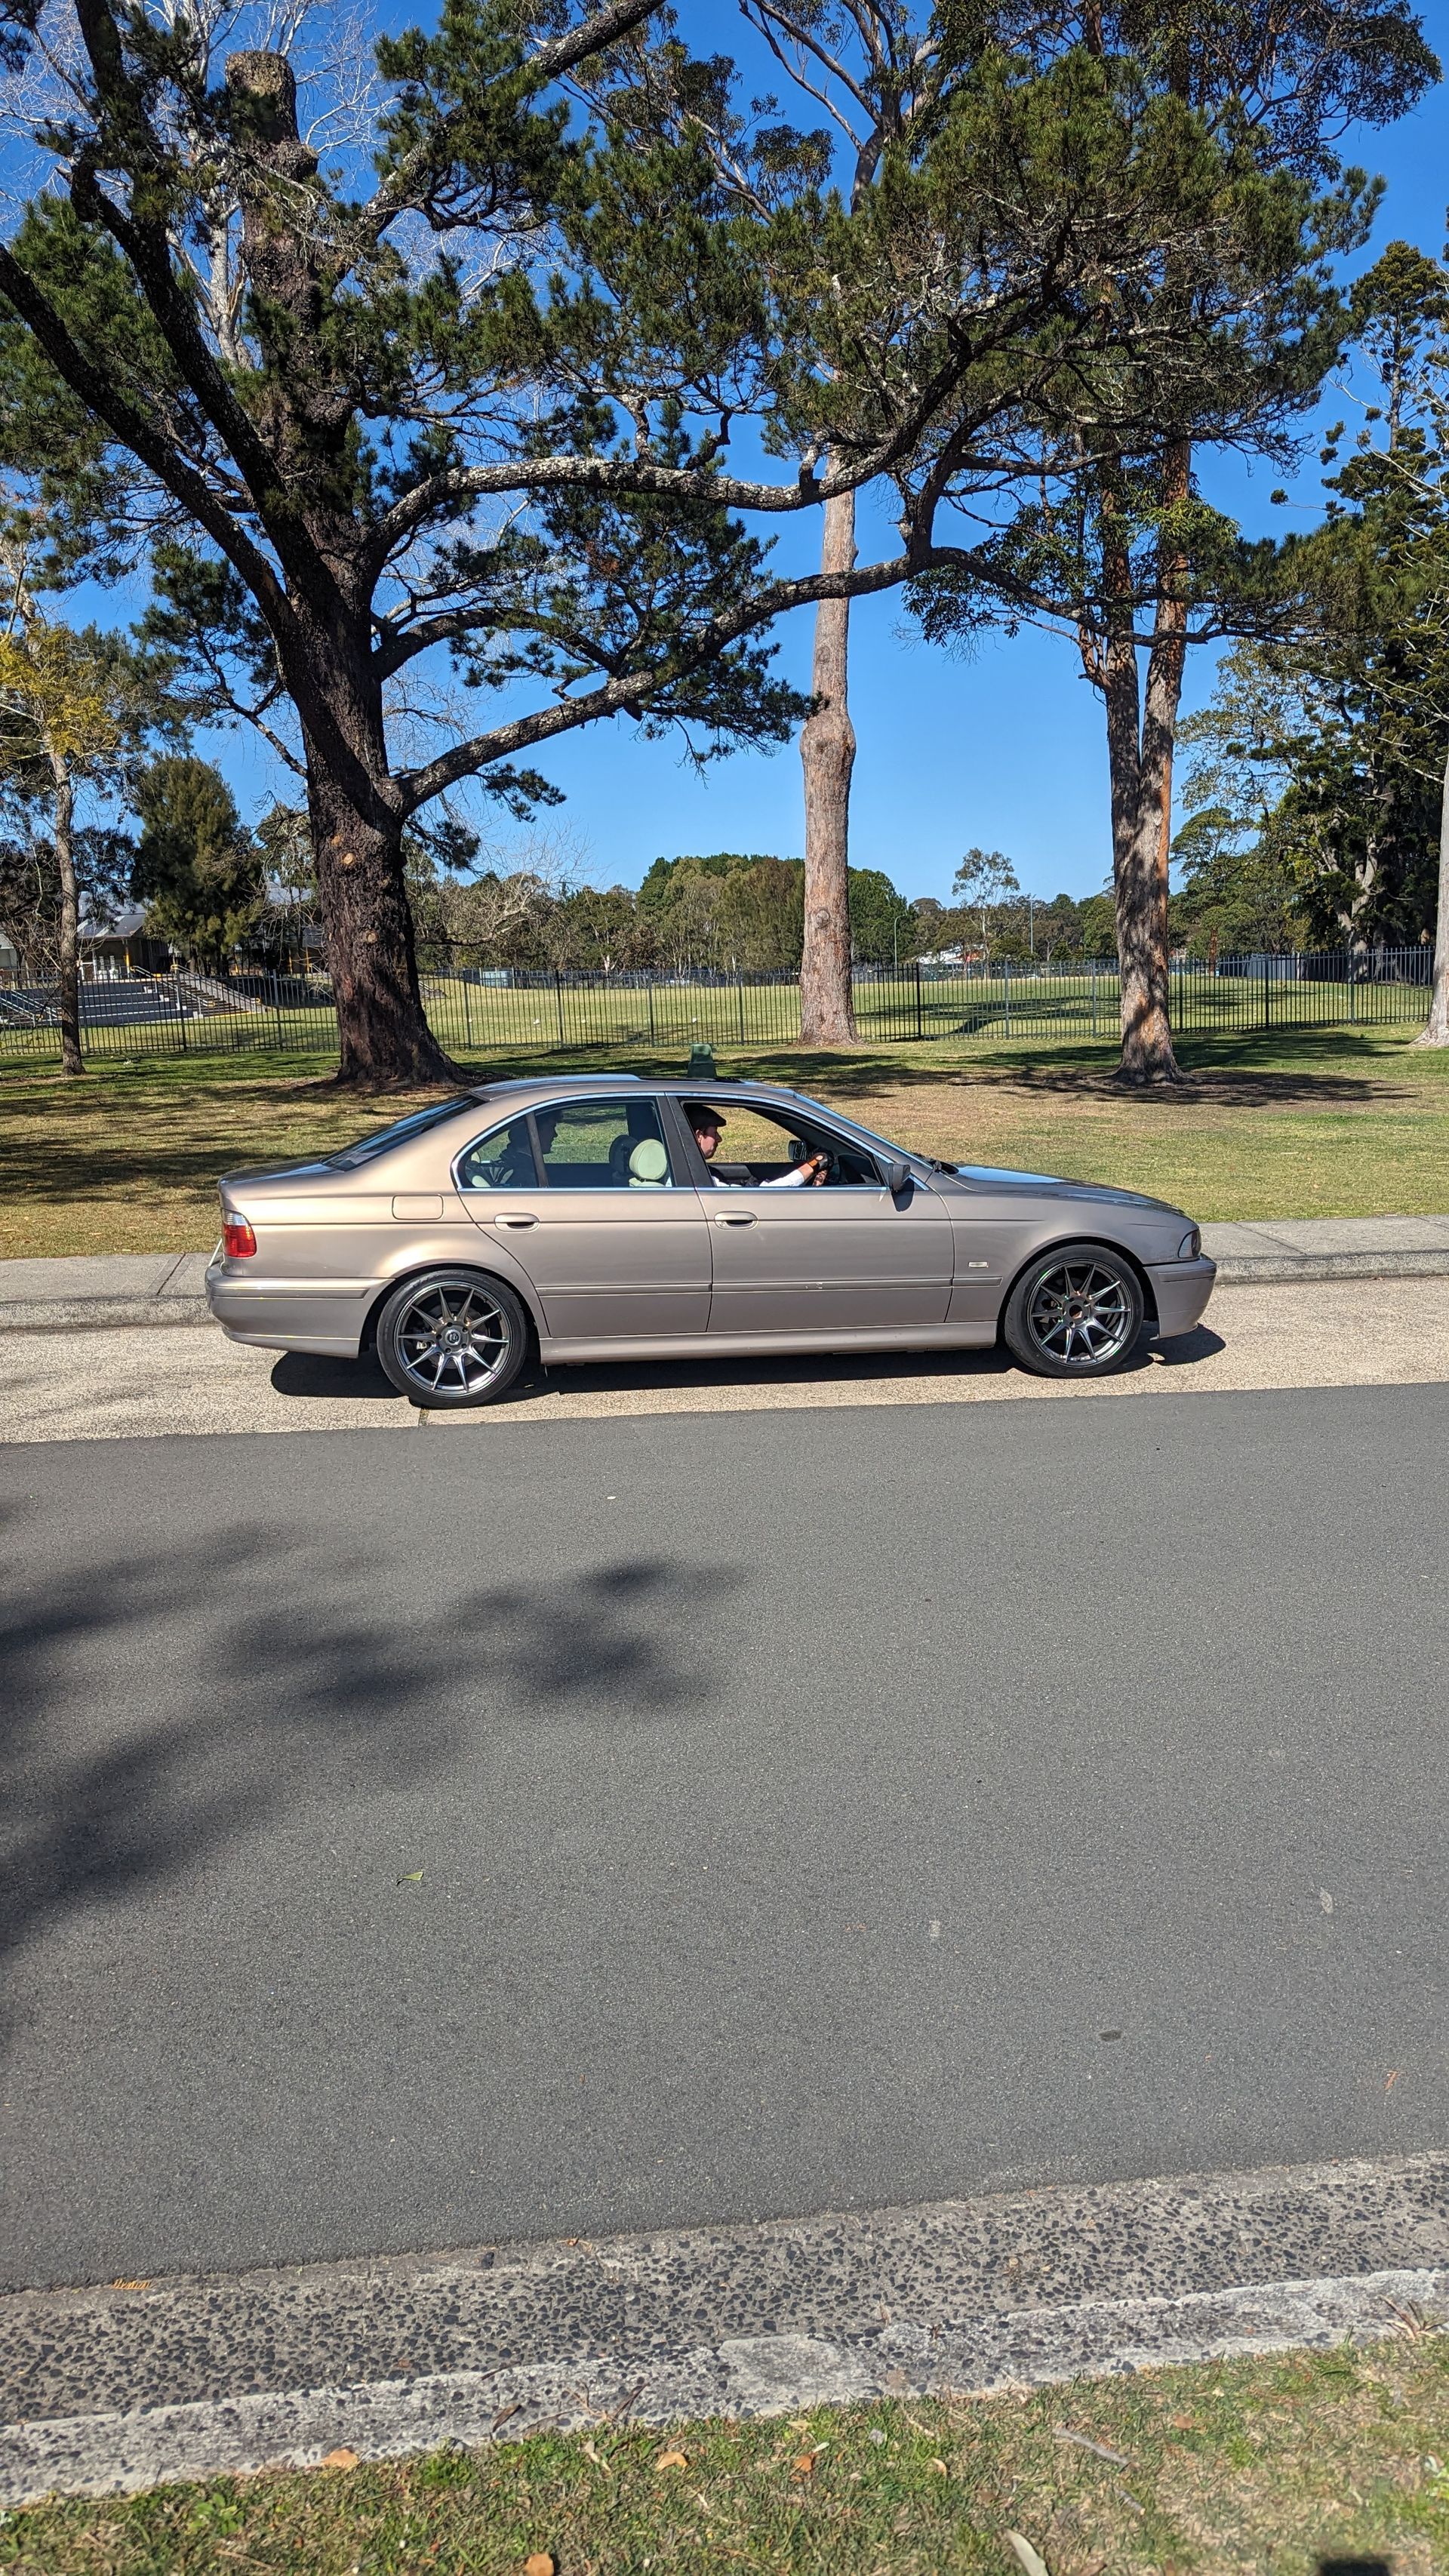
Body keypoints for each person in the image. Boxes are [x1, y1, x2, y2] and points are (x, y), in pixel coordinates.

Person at [683, 1103, 829, 1187]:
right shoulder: (692, 1178)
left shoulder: (685, 1171)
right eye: (715, 1133)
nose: (719, 1139)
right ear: (699, 1136)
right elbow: (765, 1196)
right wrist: (813, 1165)